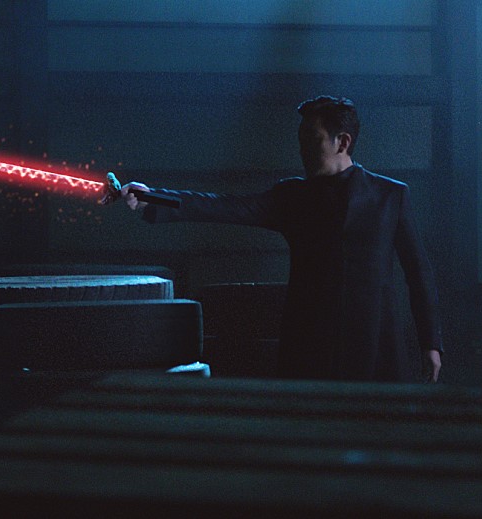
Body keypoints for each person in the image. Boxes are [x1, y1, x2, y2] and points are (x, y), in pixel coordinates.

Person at [121, 96, 443, 383]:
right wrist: (154, 198)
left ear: (342, 142)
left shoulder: (390, 195)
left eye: (312, 140)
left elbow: (419, 273)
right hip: (309, 346)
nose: (303, 150)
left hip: (376, 345)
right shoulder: (292, 197)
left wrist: (430, 343)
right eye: (301, 140)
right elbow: (223, 206)